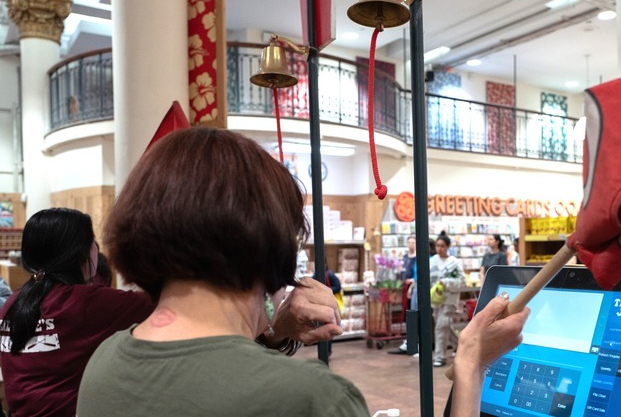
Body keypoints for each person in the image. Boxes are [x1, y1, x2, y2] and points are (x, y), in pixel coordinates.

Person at [76, 127, 529, 416]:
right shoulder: (311, 397)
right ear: (271, 241)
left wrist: (273, 335)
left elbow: (207, 378)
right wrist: (472, 362)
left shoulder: (106, 360)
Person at [0, 208, 156, 416]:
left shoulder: (13, 302)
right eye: (92, 241)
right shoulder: (84, 303)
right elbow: (157, 303)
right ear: (79, 253)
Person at [430, 232, 466, 367]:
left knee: (440, 326)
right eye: (437, 245)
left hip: (450, 299)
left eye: (442, 246)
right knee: (445, 326)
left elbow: (462, 282)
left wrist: (446, 283)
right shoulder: (432, 261)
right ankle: (461, 347)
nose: (439, 248)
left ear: (448, 247)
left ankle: (440, 356)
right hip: (436, 299)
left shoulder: (454, 263)